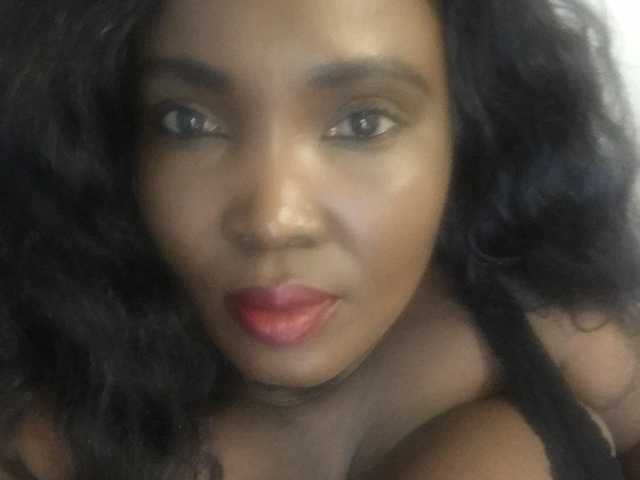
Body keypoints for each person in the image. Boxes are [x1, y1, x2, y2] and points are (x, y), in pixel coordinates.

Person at [0, 0, 639, 479]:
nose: (274, 220)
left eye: (362, 122)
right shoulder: (46, 442)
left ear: (465, 133)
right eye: (188, 121)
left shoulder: (557, 335)